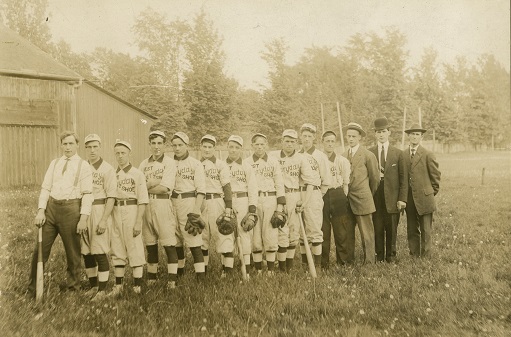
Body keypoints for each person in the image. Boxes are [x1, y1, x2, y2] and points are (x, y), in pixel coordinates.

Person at [28, 131, 93, 297]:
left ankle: (73, 288)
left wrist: (83, 218)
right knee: (40, 250)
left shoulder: (83, 165)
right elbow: (46, 187)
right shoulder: (55, 163)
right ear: (61, 145)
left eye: (71, 143)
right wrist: (41, 210)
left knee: (73, 253)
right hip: (51, 209)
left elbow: (87, 194)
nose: (68, 147)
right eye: (65, 144)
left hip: (71, 210)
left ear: (77, 145)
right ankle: (34, 289)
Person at [270, 129, 318, 272]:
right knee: (278, 229)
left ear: (296, 143)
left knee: (293, 231)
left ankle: (288, 266)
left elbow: (311, 181)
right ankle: (280, 265)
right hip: (276, 196)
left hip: (293, 195)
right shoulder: (272, 157)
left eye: (292, 141)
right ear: (281, 141)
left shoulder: (301, 158)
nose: (289, 144)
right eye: (287, 141)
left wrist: (305, 201)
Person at [138, 130, 179, 289]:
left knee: (168, 242)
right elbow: (138, 187)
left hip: (162, 204)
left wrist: (146, 186)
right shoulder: (143, 163)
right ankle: (152, 278)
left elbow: (164, 188)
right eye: (153, 143)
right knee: (150, 242)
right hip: (146, 205)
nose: (156, 147)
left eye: (159, 143)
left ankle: (172, 280)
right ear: (149, 145)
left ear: (164, 145)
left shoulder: (169, 163)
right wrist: (150, 184)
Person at [110, 140, 149, 296]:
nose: (120, 156)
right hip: (116, 210)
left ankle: (137, 285)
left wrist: (138, 221)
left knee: (134, 246)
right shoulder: (113, 174)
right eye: (117, 153)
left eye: (123, 153)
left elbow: (143, 199)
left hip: (132, 209)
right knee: (117, 245)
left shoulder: (137, 174)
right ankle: (118, 286)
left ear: (129, 154)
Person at [81, 134, 117, 301]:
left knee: (100, 250)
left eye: (95, 147)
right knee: (86, 251)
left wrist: (103, 219)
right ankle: (93, 286)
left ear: (100, 147)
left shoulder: (107, 168)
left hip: (100, 208)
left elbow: (111, 197)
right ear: (85, 148)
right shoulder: (82, 167)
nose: (92, 150)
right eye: (89, 147)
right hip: (84, 210)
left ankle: (102, 290)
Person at [245, 133, 286, 276]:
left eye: (262, 144)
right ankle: (258, 268)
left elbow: (280, 183)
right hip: (254, 200)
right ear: (252, 146)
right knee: (255, 234)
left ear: (266, 145)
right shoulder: (247, 162)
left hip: (270, 198)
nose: (260, 147)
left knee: (270, 233)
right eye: (257, 144)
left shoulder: (273, 162)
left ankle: (270, 269)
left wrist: (280, 206)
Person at [368, 117, 407, 263]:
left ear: (389, 132)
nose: (381, 135)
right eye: (378, 132)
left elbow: (403, 179)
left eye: (384, 131)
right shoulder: (370, 152)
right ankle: (379, 256)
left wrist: (402, 199)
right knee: (377, 226)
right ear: (375, 134)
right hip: (376, 195)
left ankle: (391, 256)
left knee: (391, 227)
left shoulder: (398, 153)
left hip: (392, 196)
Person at [170, 132, 207, 280]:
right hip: (172, 201)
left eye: (180, 145)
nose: (177, 148)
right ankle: (180, 271)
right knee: (176, 239)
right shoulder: (168, 163)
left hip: (189, 200)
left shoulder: (195, 163)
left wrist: (196, 210)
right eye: (174, 145)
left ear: (187, 145)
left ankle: (200, 276)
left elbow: (201, 190)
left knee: (194, 239)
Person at [342, 122, 380, 264]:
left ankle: (369, 261)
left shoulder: (367, 155)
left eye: (354, 136)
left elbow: (375, 179)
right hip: (347, 200)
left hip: (363, 198)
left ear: (360, 138)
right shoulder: (343, 155)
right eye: (348, 136)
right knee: (347, 232)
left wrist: (367, 193)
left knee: (367, 233)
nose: (351, 139)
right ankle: (348, 260)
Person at [199, 134, 234, 277]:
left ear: (214, 148)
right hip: (201, 201)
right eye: (204, 147)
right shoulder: (197, 164)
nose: (207, 150)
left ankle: (228, 272)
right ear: (200, 147)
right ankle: (203, 271)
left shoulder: (220, 164)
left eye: (210, 147)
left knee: (223, 234)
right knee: (202, 236)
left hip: (216, 200)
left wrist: (228, 208)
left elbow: (227, 186)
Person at [404, 124, 441, 257]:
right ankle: (414, 253)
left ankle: (426, 255)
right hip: (409, 198)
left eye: (417, 134)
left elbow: (435, 176)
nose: (414, 136)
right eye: (412, 134)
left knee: (426, 229)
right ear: (408, 136)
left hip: (425, 197)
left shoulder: (427, 154)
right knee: (412, 228)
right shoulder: (403, 154)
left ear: (421, 137)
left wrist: (430, 192)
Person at [299, 123, 331, 268]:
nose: (306, 139)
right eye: (304, 136)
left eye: (309, 136)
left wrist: (317, 195)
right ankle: (305, 264)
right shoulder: (296, 155)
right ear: (300, 137)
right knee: (301, 229)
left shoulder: (320, 156)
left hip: (315, 193)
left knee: (315, 229)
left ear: (314, 138)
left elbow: (326, 180)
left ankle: (317, 265)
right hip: (298, 192)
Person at [225, 135, 258, 276]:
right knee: (227, 233)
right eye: (231, 147)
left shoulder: (247, 166)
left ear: (241, 149)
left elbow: (252, 188)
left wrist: (251, 209)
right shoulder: (222, 165)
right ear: (227, 147)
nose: (233, 150)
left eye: (237, 147)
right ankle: (227, 268)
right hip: (227, 202)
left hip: (242, 198)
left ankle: (247, 267)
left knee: (244, 232)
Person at [321, 130, 352, 267]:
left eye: (332, 141)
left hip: (338, 193)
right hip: (322, 195)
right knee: (323, 229)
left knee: (341, 230)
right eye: (327, 141)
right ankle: (323, 262)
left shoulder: (342, 161)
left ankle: (343, 261)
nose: (330, 144)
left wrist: (342, 196)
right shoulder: (318, 159)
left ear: (336, 143)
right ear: (322, 143)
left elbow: (346, 182)